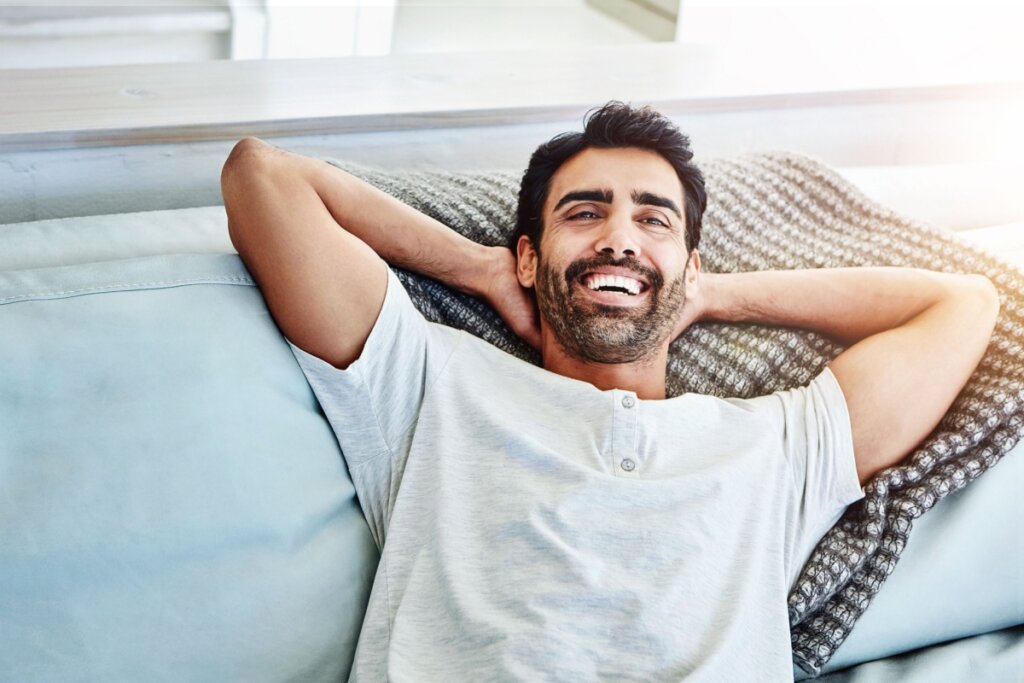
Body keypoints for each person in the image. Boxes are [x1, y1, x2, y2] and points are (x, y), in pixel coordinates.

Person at [220, 102, 999, 681]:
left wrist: (718, 295)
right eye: (585, 213)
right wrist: (479, 267)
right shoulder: (433, 383)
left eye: (653, 220)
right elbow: (264, 177)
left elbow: (961, 305)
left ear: (691, 266)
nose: (619, 237)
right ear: (530, 255)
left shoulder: (775, 446)